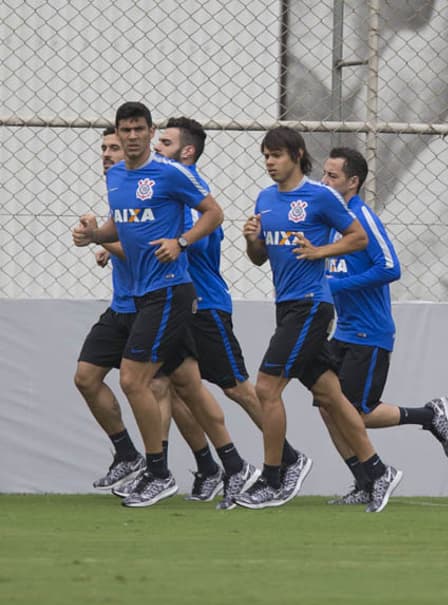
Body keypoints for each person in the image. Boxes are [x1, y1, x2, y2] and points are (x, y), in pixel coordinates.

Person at [72, 101, 258, 508]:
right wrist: (94, 235)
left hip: (172, 291)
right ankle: (228, 464)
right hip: (140, 298)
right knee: (171, 384)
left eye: (140, 129)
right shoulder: (117, 176)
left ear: (150, 131)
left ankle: (159, 473)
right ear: (118, 133)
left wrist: (182, 242)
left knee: (139, 382)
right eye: (126, 130)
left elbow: (214, 213)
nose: (132, 136)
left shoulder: (170, 172)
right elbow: (120, 224)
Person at [234, 127, 402, 512]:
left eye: (276, 155)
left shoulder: (320, 196)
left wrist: (320, 251)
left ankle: (276, 476)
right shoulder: (265, 198)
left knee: (266, 388)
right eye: (265, 156)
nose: (269, 163)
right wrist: (251, 240)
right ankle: (377, 472)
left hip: (311, 305)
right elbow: (259, 258)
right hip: (287, 304)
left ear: (296, 155)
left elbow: (357, 238)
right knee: (329, 394)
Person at [149, 117, 312, 509]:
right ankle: (213, 468)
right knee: (169, 386)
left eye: (165, 143)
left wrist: (179, 241)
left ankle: (287, 458)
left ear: (187, 151)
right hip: (174, 305)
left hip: (205, 305)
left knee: (237, 386)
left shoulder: (193, 192)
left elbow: (206, 243)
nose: (155, 149)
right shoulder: (161, 191)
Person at [316, 146, 448, 506]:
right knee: (326, 403)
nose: (324, 181)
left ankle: (429, 415)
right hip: (343, 330)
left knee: (356, 412)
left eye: (332, 176)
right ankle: (365, 483)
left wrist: (336, 287)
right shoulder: (333, 221)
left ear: (353, 182)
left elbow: (390, 268)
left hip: (369, 331)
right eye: (324, 173)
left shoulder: (363, 219)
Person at [74, 126, 145, 491]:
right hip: (120, 308)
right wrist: (100, 241)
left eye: (113, 148)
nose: (106, 153)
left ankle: (211, 466)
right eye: (103, 147)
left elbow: (141, 251)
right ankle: (127, 454)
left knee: (170, 390)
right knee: (86, 377)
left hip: (150, 307)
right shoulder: (117, 191)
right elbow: (120, 241)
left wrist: (99, 240)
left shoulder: (144, 191)